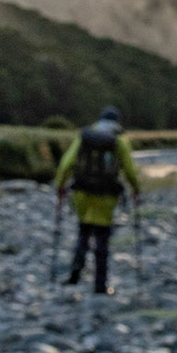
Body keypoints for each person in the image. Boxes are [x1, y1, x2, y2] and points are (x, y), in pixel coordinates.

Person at [54, 106, 141, 294]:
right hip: (106, 195)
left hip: (81, 193)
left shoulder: (84, 137)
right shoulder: (119, 141)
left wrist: (60, 186)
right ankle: (100, 285)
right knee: (102, 238)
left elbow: (66, 164)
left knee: (83, 231)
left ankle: (74, 275)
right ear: (117, 122)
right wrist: (135, 190)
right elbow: (129, 170)